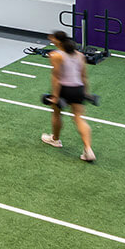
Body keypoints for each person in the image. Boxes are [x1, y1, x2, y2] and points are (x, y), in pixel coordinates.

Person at [44, 30, 97, 163]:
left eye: (52, 37)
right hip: (78, 89)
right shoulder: (80, 55)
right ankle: (88, 149)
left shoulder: (55, 55)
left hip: (64, 89)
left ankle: (55, 140)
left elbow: (56, 77)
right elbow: (84, 76)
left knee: (56, 114)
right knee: (79, 118)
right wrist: (86, 93)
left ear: (57, 41)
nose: (50, 38)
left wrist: (55, 96)